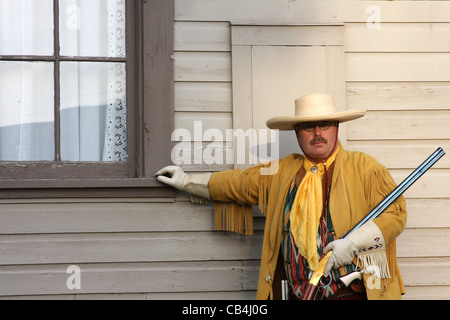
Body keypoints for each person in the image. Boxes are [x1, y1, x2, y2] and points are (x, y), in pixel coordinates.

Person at [156, 93, 407, 300]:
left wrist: (354, 243)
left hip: (350, 295)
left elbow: (395, 215)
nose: (317, 132)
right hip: (296, 295)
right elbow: (237, 183)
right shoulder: (282, 171)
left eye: (325, 125)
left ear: (336, 129)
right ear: (297, 133)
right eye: (308, 126)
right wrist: (186, 181)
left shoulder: (365, 167)